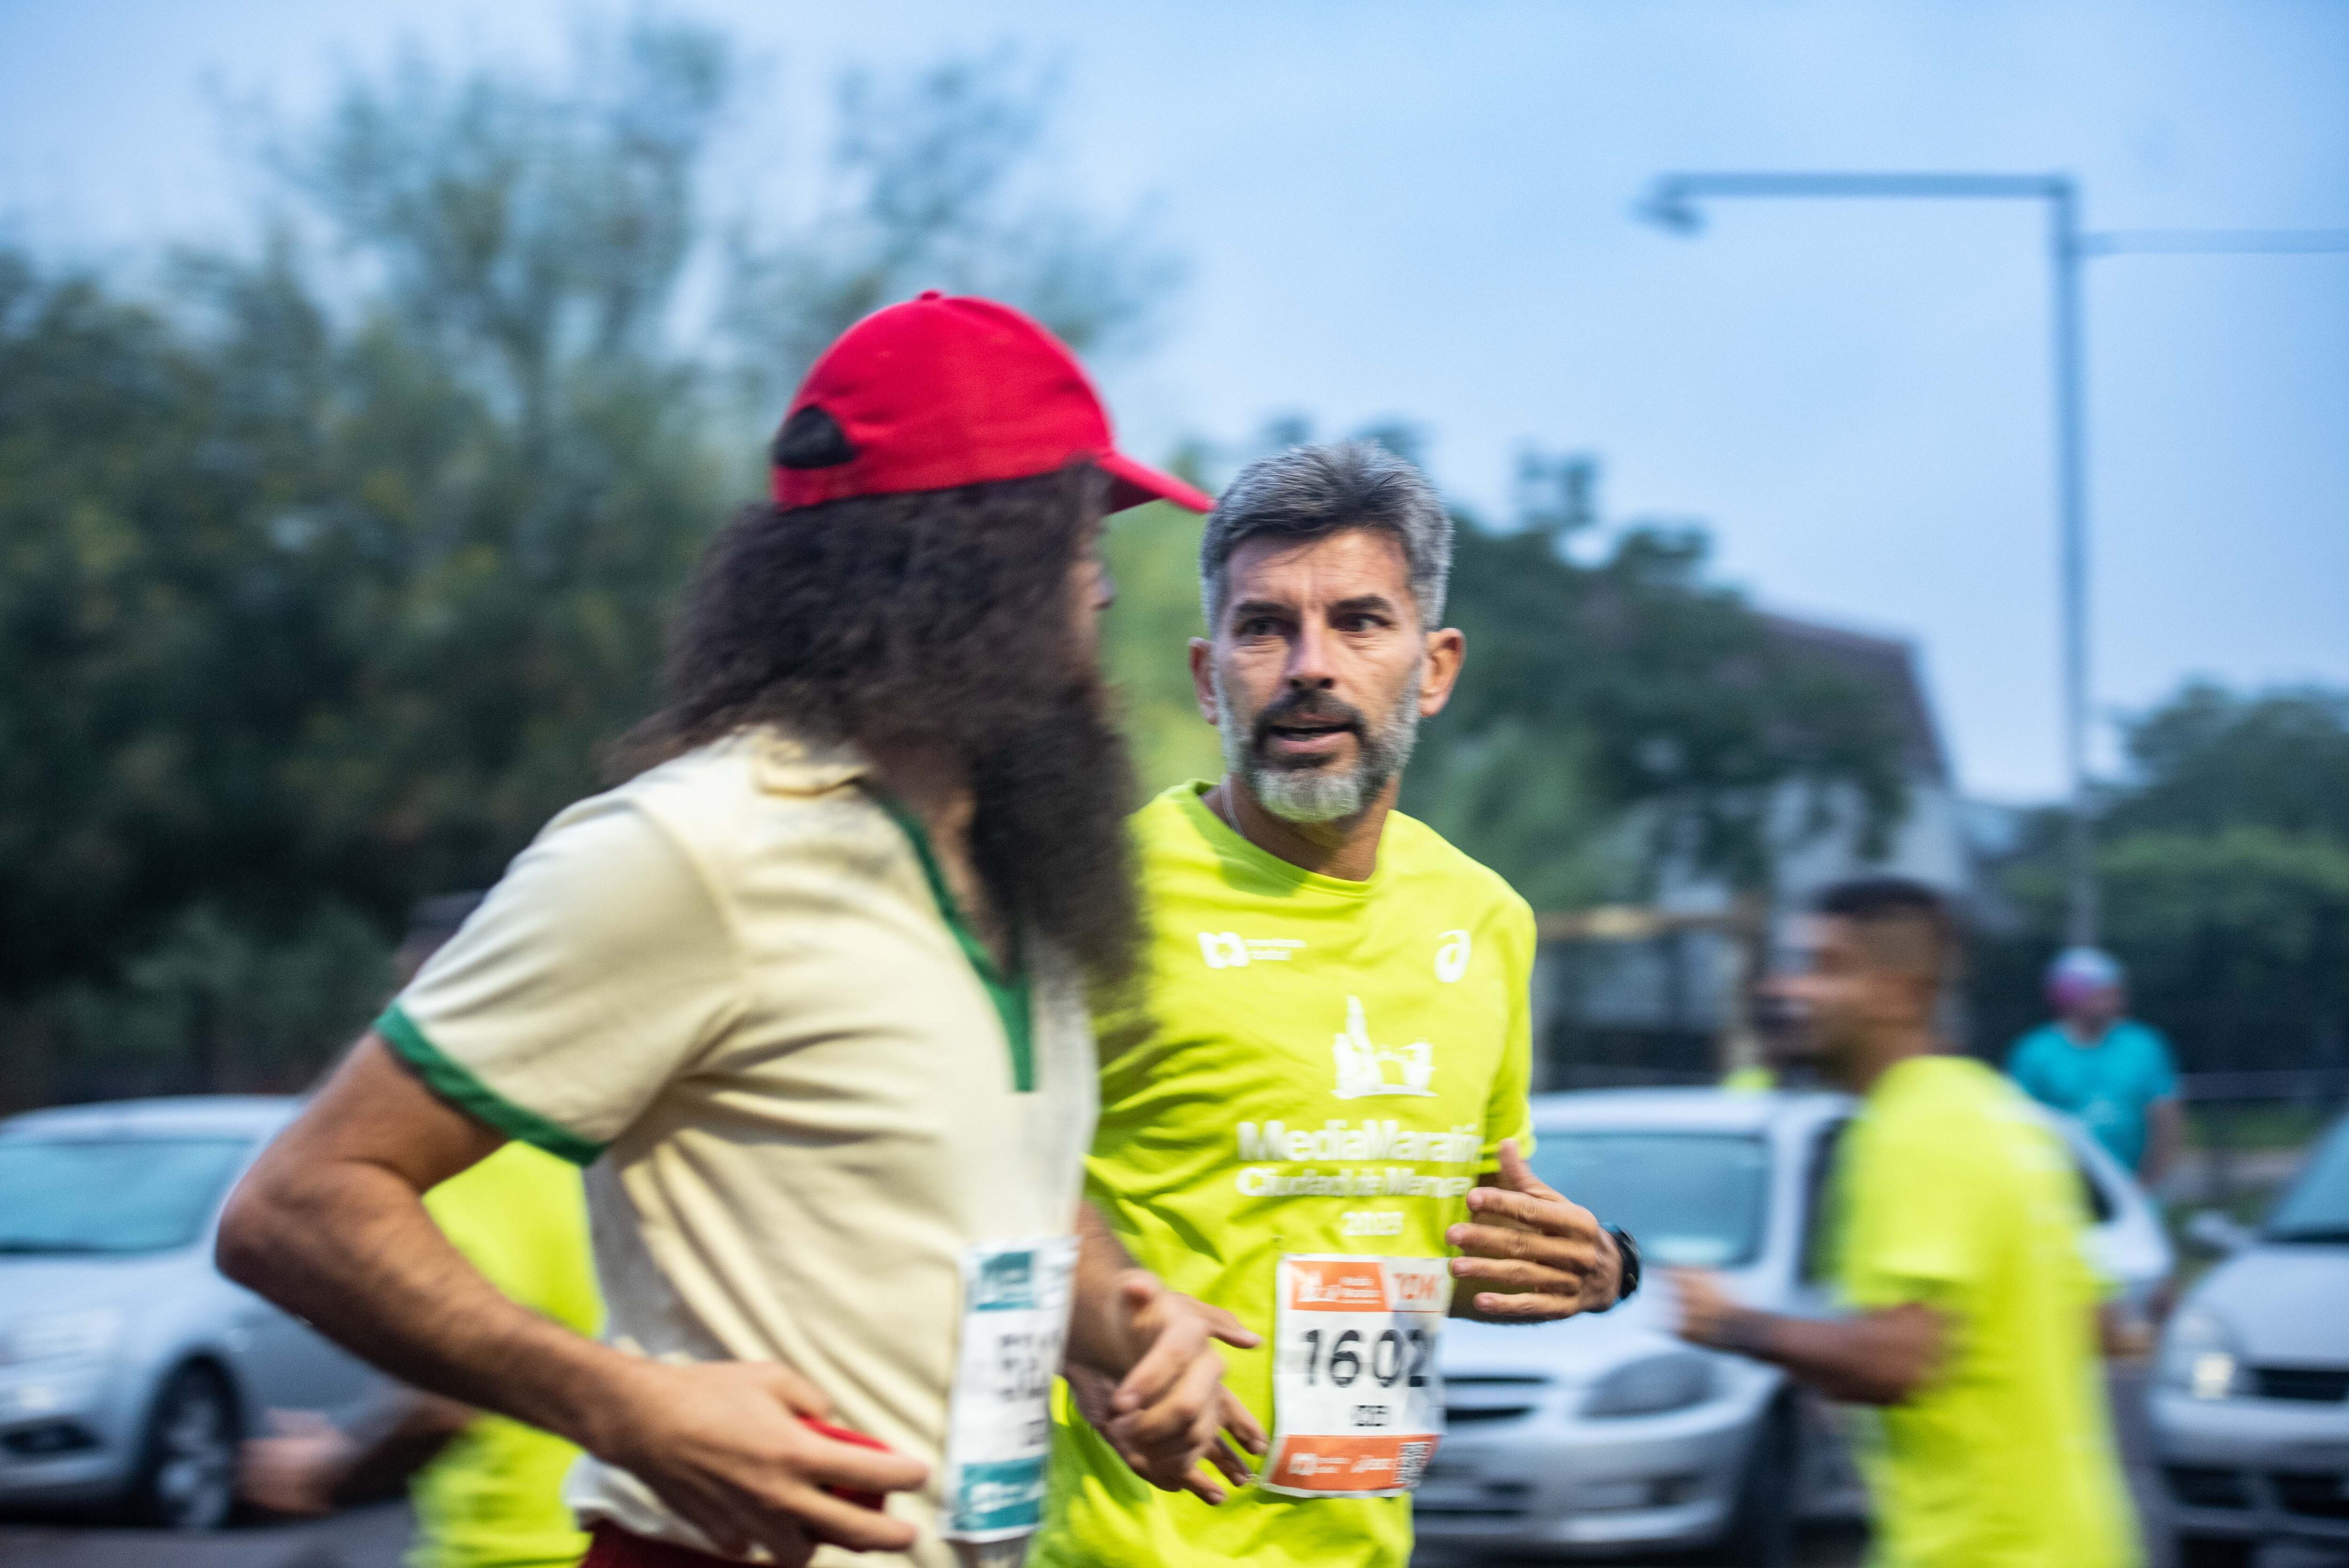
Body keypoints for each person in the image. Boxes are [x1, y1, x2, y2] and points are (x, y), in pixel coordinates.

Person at [219, 292, 1259, 1568]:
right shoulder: (688, 849)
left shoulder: (1018, 875)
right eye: (1073, 541)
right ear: (964, 567)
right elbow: (299, 1204)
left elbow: (988, 1201)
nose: (1096, 593)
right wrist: (623, 1402)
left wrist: (1117, 1323)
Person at [1031, 441, 1632, 1568]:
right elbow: (969, 1187)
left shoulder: (1486, 919)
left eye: (1359, 620)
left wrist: (1603, 1268)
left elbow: (1418, 1230)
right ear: (1209, 676)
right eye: (1265, 627)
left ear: (1436, 664)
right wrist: (1087, 1322)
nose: (1310, 665)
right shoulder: (1089, 897)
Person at [1672, 877, 2138, 1568]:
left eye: (1825, 968)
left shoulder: (1911, 1129)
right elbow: (2097, 1328)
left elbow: (1900, 1359)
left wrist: (1733, 1324)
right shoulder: (1999, 1111)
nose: (1795, 990)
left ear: (1897, 993)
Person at [238, 893, 601, 1568]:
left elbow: (447, 1405)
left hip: (511, 1551)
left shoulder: (463, 1165)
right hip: (621, 1535)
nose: (386, 1030)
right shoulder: (594, 1137)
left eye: (405, 998)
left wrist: (332, 1467)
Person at [2007, 946, 2184, 1185]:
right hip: (2060, 1187)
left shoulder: (2143, 1045)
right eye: (2103, 992)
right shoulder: (2035, 1052)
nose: (2116, 1000)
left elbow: (2166, 1117)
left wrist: (2151, 1183)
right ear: (2070, 996)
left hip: (2131, 1185)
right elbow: (2018, 1125)